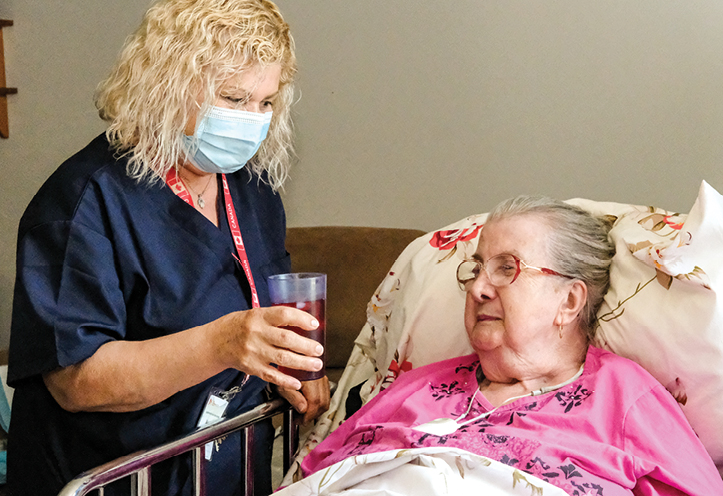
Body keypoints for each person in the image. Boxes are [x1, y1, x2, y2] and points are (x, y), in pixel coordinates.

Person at [7, 1, 330, 495]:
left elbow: (265, 303)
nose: (252, 120)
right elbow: (76, 380)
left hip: (223, 464)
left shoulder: (251, 190)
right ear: (164, 85)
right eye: (234, 97)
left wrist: (291, 368)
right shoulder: (82, 204)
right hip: (117, 476)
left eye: (265, 102)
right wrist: (217, 344)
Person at [296, 196, 723, 495]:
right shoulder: (415, 388)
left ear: (569, 300)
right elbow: (312, 478)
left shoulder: (624, 397)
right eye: (477, 269)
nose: (479, 288)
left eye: (507, 268)